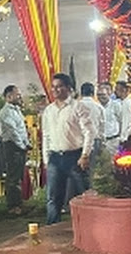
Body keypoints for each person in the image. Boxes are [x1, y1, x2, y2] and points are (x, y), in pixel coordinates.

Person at [42, 72, 95, 224]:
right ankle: (52, 228)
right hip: (55, 158)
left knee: (83, 195)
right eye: (53, 87)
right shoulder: (49, 110)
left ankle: (88, 225)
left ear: (69, 88)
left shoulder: (78, 107)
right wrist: (46, 160)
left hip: (75, 157)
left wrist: (85, 155)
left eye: (59, 87)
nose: (55, 90)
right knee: (53, 197)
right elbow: (46, 135)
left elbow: (89, 132)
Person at [0, 85, 30, 214]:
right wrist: (22, 145)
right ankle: (13, 206)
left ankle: (19, 203)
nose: (20, 96)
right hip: (12, 146)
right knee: (13, 177)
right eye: (17, 94)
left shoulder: (16, 110)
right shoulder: (6, 112)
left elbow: (21, 129)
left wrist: (26, 143)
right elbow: (13, 132)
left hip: (19, 145)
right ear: (9, 96)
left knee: (18, 175)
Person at [78, 81, 105, 173]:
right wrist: (102, 143)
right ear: (93, 93)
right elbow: (102, 127)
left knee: (78, 171)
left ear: (81, 93)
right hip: (95, 141)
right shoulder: (99, 107)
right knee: (92, 170)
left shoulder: (76, 106)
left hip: (79, 141)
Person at [97, 81, 121, 154]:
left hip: (113, 141)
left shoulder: (116, 105)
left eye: (103, 94)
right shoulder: (95, 107)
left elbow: (122, 121)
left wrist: (120, 138)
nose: (102, 97)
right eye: (99, 95)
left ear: (109, 93)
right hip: (99, 143)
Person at [113, 80, 131, 149]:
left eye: (117, 89)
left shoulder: (127, 103)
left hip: (128, 137)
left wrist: (123, 138)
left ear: (124, 90)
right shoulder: (125, 102)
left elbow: (126, 121)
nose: (115, 92)